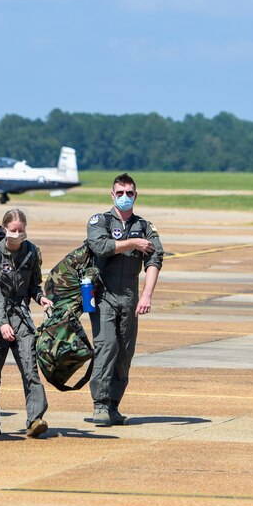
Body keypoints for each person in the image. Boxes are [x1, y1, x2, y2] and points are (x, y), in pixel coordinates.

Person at [85, 173, 163, 427]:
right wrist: (132, 243)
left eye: (129, 193)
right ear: (112, 195)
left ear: (136, 195)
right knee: (107, 346)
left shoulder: (145, 227)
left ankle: (114, 405)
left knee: (124, 353)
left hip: (130, 295)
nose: (125, 197)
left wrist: (147, 294)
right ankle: (99, 404)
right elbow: (100, 246)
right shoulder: (100, 221)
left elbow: (154, 258)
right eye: (120, 193)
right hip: (103, 294)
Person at [0, 209, 53, 438]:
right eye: (13, 230)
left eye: (21, 230)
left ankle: (35, 419)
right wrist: (2, 323)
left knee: (31, 369)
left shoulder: (31, 252)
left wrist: (41, 298)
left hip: (21, 317)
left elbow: (33, 286)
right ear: (4, 230)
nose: (18, 234)